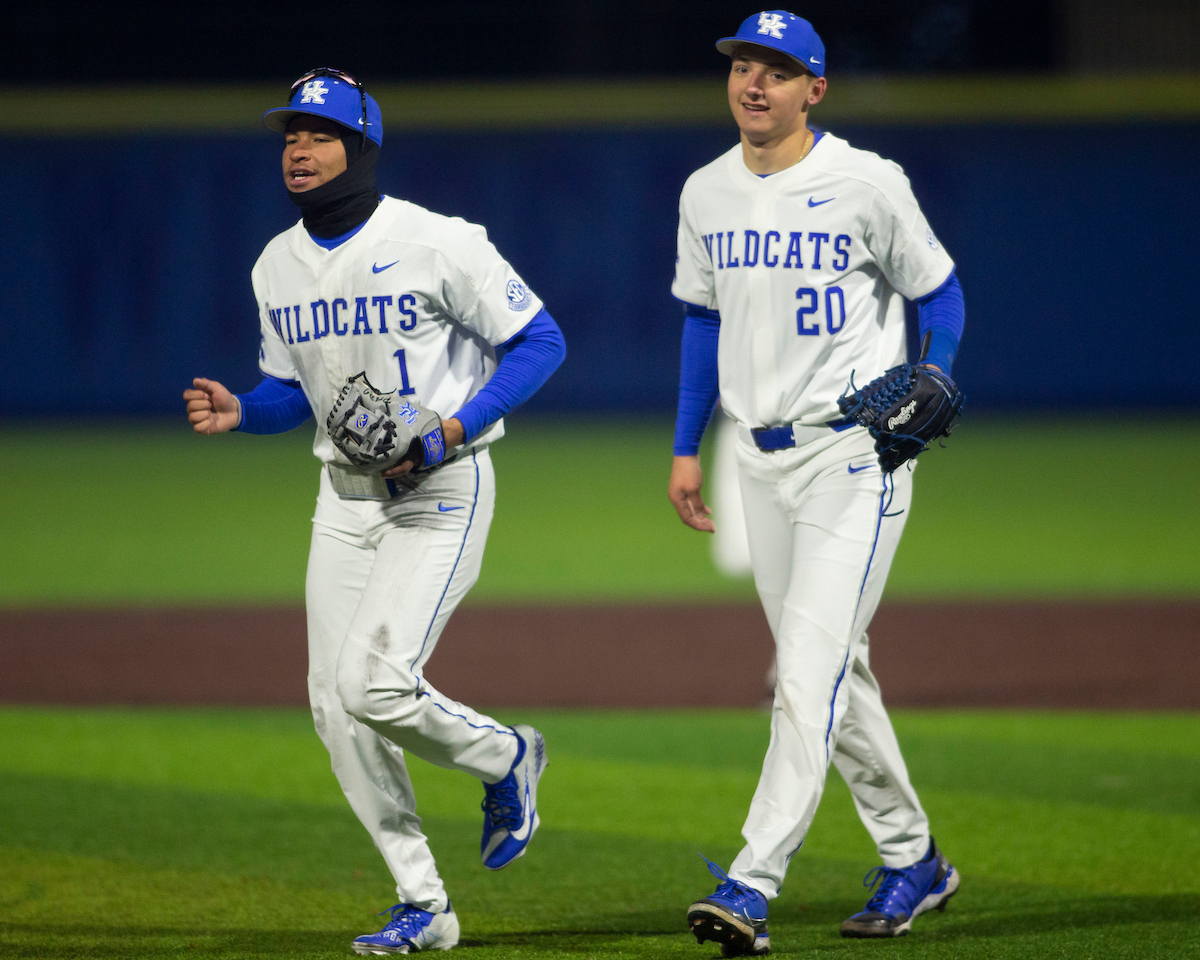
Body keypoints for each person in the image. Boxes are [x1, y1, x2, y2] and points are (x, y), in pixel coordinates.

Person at [183, 68, 565, 955]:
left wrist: (453, 428)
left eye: (318, 135)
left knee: (374, 685)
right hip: (343, 505)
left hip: (440, 492)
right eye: (290, 136)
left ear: (360, 149)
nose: (298, 149)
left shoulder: (438, 241)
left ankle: (507, 756)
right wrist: (245, 410)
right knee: (334, 706)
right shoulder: (275, 264)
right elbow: (294, 393)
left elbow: (540, 341)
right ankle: (425, 904)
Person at [667, 12, 964, 952]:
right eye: (743, 66)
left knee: (803, 670)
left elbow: (940, 291)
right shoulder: (706, 190)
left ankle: (752, 882)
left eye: (778, 70)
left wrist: (936, 367)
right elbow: (702, 321)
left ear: (815, 90)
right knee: (838, 670)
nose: (754, 83)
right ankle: (914, 857)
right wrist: (686, 445)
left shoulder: (867, 181)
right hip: (757, 461)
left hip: (856, 455)